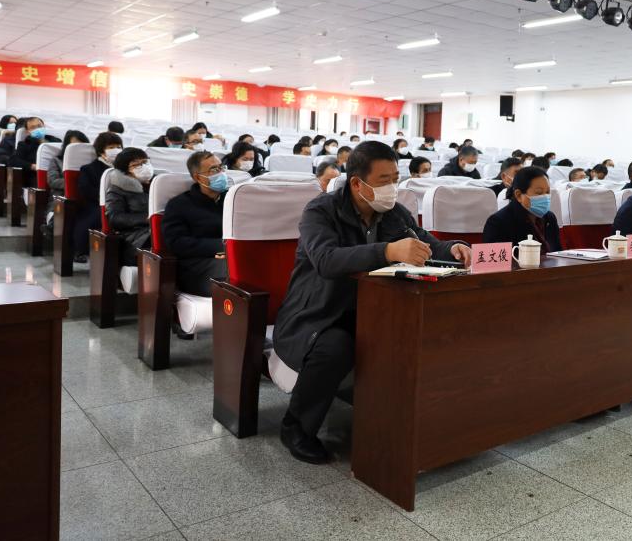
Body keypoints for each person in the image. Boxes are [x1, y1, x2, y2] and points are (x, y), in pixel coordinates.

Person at [273, 141, 470, 463]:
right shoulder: (320, 211)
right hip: (319, 312)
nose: (392, 188)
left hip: (374, 308)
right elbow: (326, 260)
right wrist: (387, 251)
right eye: (384, 180)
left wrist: (453, 248)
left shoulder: (394, 213)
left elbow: (425, 243)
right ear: (357, 183)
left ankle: (409, 420)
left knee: (426, 332)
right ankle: (296, 427)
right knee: (335, 347)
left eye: (395, 179)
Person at [162, 151, 230, 297]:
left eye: (221, 167)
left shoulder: (232, 200)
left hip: (230, 256)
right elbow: (176, 243)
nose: (221, 173)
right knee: (235, 271)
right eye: (214, 169)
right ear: (198, 177)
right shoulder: (179, 205)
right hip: (196, 266)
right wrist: (222, 247)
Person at [483, 166, 563, 253]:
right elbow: (492, 259)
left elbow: (558, 252)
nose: (545, 197)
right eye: (539, 192)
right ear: (518, 195)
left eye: (547, 192)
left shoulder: (549, 217)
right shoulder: (498, 222)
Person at [75, 132, 124, 261]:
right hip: (97, 204)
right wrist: (106, 199)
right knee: (97, 215)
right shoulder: (88, 169)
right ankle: (82, 250)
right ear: (101, 151)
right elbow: (86, 190)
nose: (116, 150)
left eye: (119, 147)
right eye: (111, 147)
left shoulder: (125, 168)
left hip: (122, 203)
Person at [106, 148, 154, 263]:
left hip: (156, 230)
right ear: (125, 170)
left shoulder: (158, 183)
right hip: (134, 237)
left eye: (145, 162)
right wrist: (147, 219)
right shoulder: (117, 190)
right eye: (136, 165)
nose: (143, 167)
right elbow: (115, 218)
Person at [48, 130, 89, 198]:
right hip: (62, 197)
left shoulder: (90, 160)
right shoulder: (57, 160)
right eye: (74, 146)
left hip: (86, 196)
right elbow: (53, 181)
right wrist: (74, 183)